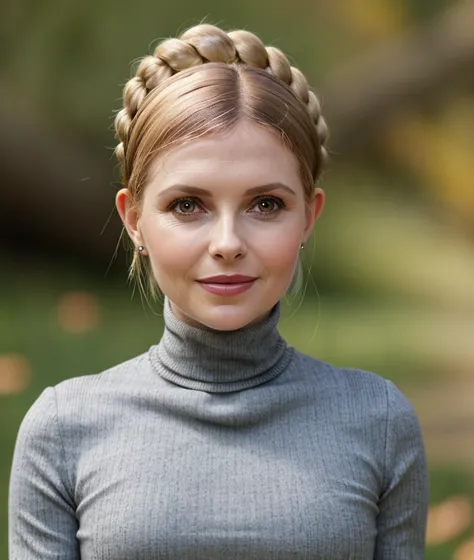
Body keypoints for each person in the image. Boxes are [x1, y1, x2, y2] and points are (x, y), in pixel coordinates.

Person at [8, 23, 429, 559]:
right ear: (134, 220)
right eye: (188, 205)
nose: (227, 243)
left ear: (308, 218)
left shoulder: (379, 422)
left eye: (266, 205)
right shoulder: (64, 429)